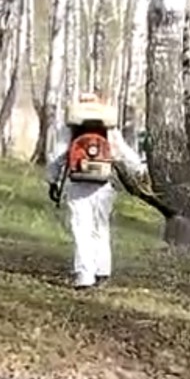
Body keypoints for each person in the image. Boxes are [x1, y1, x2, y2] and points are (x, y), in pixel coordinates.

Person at [47, 93, 144, 289]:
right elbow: (123, 152)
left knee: (82, 229)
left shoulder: (71, 127)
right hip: (104, 184)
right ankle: (102, 271)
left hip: (78, 184)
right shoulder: (109, 128)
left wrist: (52, 181)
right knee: (101, 227)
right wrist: (139, 169)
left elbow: (58, 156)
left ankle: (85, 276)